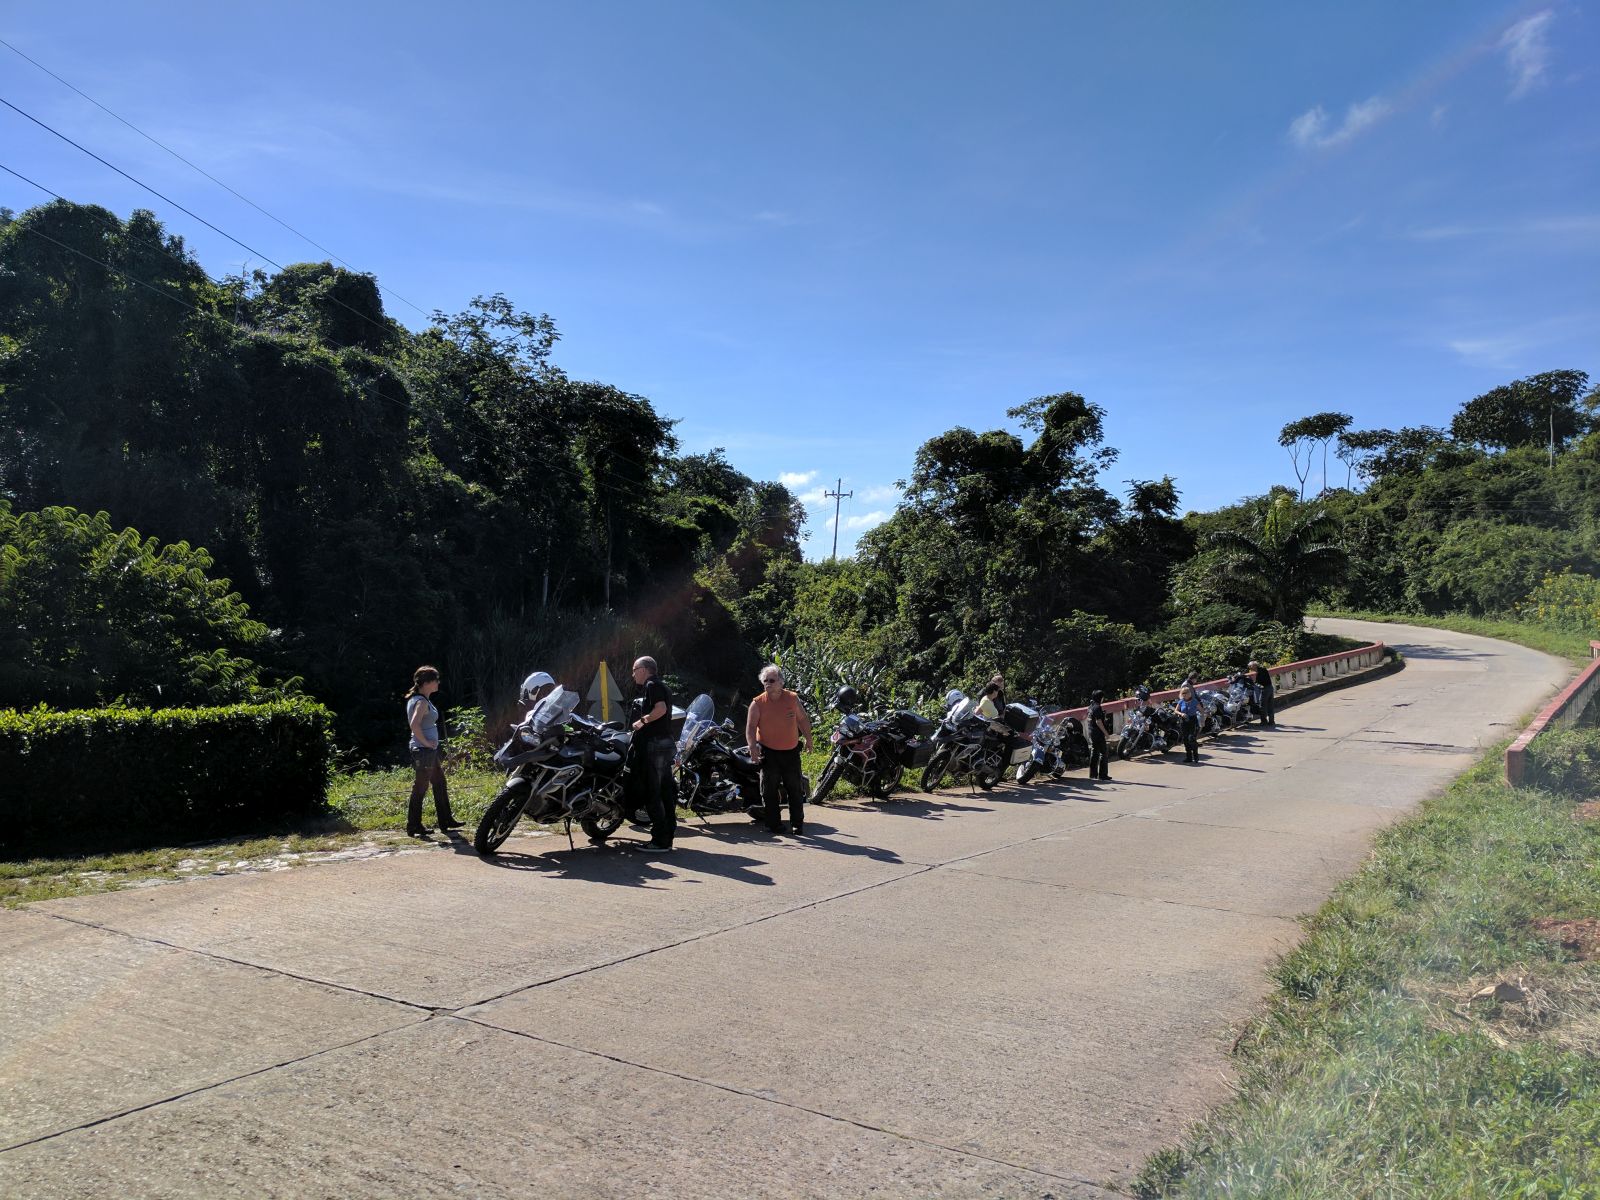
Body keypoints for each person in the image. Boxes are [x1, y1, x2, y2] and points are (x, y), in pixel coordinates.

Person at [745, 664, 814, 835]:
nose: (768, 683)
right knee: (769, 790)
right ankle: (773, 824)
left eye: (772, 680)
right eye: (765, 681)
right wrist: (752, 747)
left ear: (781, 682)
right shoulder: (757, 703)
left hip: (791, 751)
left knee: (795, 789)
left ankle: (797, 824)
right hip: (768, 752)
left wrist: (809, 739)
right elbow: (751, 727)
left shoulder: (792, 699)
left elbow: (802, 719)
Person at [405, 666, 461, 838]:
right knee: (420, 787)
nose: (438, 682)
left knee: (440, 783)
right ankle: (413, 825)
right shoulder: (421, 702)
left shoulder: (420, 699)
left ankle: (446, 820)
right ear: (426, 682)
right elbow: (414, 725)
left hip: (429, 751)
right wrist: (427, 743)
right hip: (424, 751)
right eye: (435, 680)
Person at [629, 656, 676, 853]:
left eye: (634, 670)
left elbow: (661, 709)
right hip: (665, 743)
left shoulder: (652, 685)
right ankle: (667, 836)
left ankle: (659, 841)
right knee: (665, 792)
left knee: (653, 793)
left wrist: (642, 721)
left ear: (644, 669)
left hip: (655, 745)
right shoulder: (662, 686)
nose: (633, 675)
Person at [1086, 689, 1113, 781]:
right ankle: (1103, 775)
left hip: (1091, 732)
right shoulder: (1097, 707)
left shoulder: (1090, 707)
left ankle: (1093, 774)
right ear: (1100, 698)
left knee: (1094, 753)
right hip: (1098, 733)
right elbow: (1098, 722)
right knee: (1103, 753)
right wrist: (1106, 733)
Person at [1175, 685, 1202, 763]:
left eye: (1186, 692)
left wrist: (1202, 718)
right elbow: (1176, 710)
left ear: (1189, 693)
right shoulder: (1181, 701)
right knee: (1185, 739)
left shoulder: (1194, 701)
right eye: (1183, 693)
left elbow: (1201, 710)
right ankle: (1189, 757)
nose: (1185, 694)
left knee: (1191, 738)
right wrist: (1181, 714)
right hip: (1184, 721)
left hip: (1192, 720)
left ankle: (1196, 755)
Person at [1252, 659, 1277, 727]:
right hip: (1270, 688)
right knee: (1270, 705)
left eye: (1251, 667)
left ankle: (1264, 721)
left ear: (1254, 666)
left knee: (1262, 706)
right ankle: (1271, 721)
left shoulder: (1260, 672)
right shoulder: (1263, 670)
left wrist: (1254, 683)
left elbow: (1260, 682)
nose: (1250, 668)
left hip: (1265, 689)